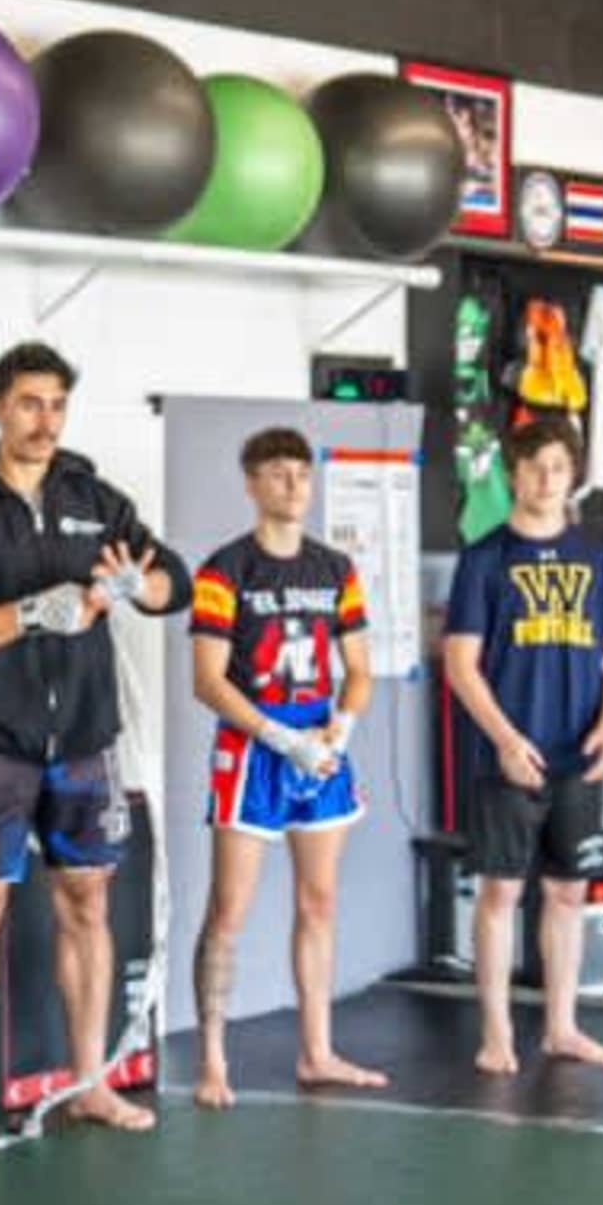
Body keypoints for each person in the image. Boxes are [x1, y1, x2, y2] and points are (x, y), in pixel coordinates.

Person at [0, 342, 185, 1140]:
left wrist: (140, 584)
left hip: (86, 734)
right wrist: (29, 614)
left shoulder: (96, 497)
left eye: (57, 404)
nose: (45, 420)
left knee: (88, 900)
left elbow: (177, 583)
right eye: (30, 403)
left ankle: (91, 1079)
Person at [187, 426, 382, 1107]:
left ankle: (317, 1050)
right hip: (252, 747)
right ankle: (213, 1057)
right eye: (277, 474)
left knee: (318, 900)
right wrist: (275, 735)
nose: (293, 485)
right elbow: (207, 680)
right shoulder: (225, 569)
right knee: (229, 909)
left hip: (319, 741)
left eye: (302, 473)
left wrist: (340, 726)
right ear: (251, 483)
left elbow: (359, 669)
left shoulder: (335, 569)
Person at [439, 412, 603, 1077]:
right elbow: (460, 663)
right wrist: (503, 739)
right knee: (501, 895)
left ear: (572, 475)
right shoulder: (484, 559)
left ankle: (561, 1027)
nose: (547, 480)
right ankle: (496, 1036)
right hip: (509, 757)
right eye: (534, 468)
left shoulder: (596, 559)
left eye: (558, 468)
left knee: (569, 893)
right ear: (514, 474)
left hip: (577, 755)